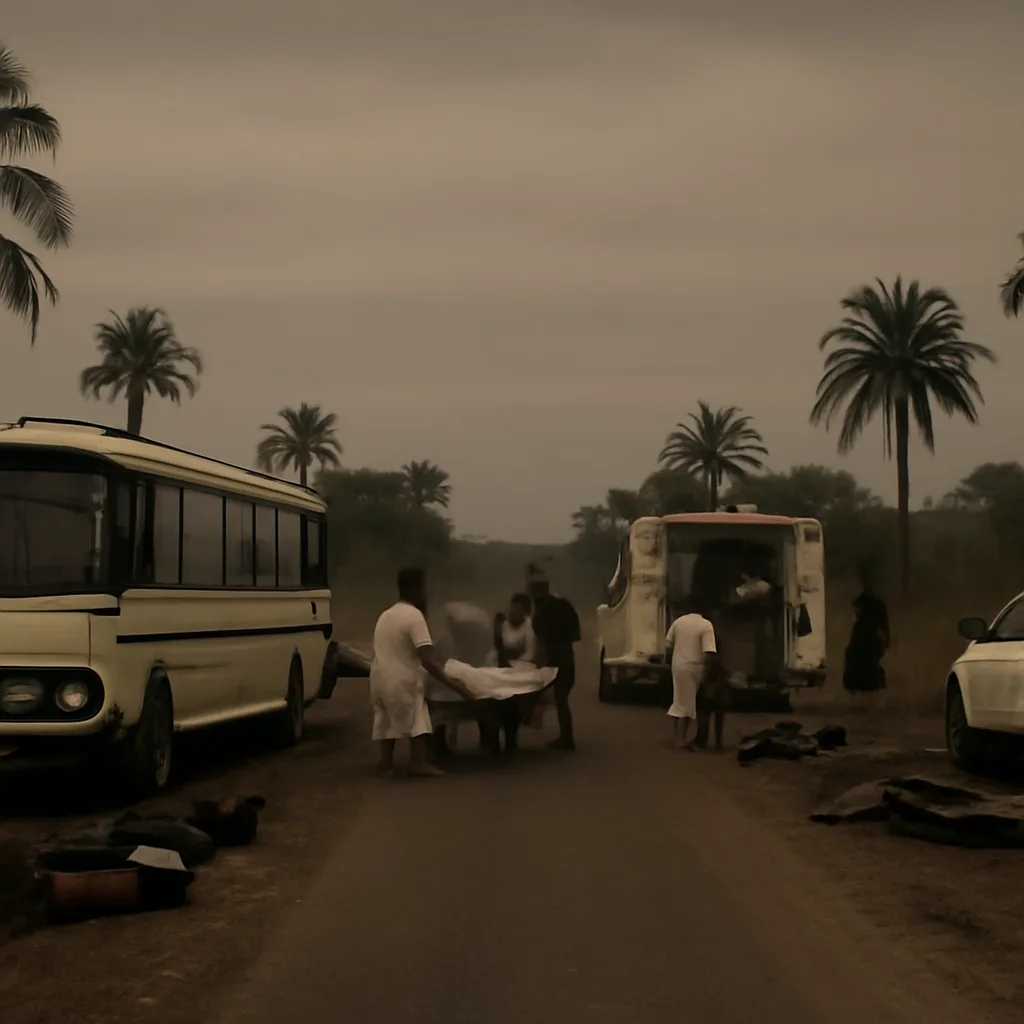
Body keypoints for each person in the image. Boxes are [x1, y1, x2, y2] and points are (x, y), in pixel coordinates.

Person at [369, 566, 474, 777]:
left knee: (385, 719)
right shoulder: (414, 616)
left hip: (379, 678)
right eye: (424, 588)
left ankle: (386, 765)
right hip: (403, 679)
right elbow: (427, 659)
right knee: (418, 718)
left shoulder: (386, 615)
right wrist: (454, 685)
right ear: (415, 590)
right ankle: (418, 763)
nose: (427, 593)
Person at [526, 566, 581, 752]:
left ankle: (566, 739)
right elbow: (576, 634)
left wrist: (536, 665)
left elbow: (541, 643)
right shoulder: (563, 605)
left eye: (532, 589)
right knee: (560, 699)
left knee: (546, 696)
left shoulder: (541, 613)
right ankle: (566, 737)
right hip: (567, 658)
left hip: (554, 660)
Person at [664, 596, 718, 749]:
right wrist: (707, 675)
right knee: (687, 705)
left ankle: (677, 737)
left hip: (677, 665)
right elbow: (708, 652)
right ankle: (680, 740)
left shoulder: (679, 622)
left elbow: (668, 644)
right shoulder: (706, 625)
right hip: (694, 666)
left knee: (678, 701)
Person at [843, 565, 890, 695]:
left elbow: (884, 625)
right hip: (863, 638)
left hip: (869, 639)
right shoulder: (863, 601)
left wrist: (886, 643)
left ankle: (868, 695)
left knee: (868, 667)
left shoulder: (873, 603)